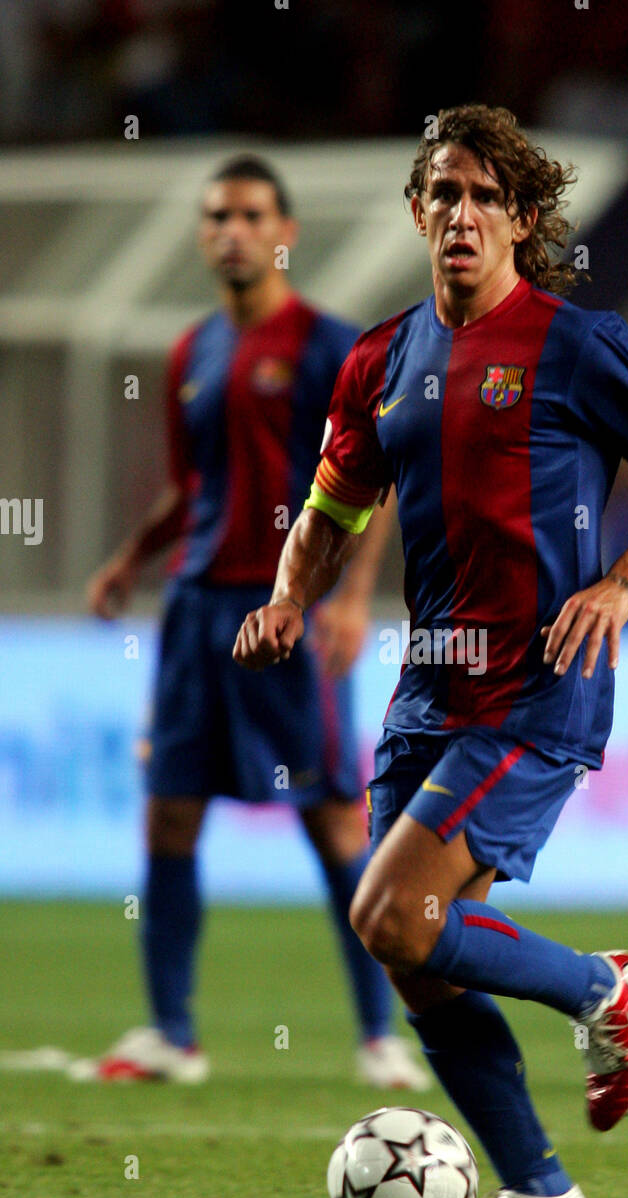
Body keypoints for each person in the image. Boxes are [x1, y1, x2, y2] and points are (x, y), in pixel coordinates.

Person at [233, 107, 628, 1198]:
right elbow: (330, 511)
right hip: (426, 692)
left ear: (521, 218)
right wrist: (284, 596)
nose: (461, 213)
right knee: (420, 960)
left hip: (537, 685)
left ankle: (599, 986)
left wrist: (621, 584)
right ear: (417, 214)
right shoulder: (378, 359)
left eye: (484, 196)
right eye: (443, 193)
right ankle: (542, 1189)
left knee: (391, 915)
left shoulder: (575, 343)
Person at [85, 154, 427, 1091]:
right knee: (168, 816)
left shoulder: (329, 348)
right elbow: (189, 485)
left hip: (287, 610)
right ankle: (171, 1034)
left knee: (332, 825)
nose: (231, 230)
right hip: (196, 611)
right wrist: (130, 560)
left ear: (285, 233)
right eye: (216, 216)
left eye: (249, 214)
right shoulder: (191, 353)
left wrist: (352, 596)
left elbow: (378, 475)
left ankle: (378, 1035)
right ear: (203, 236)